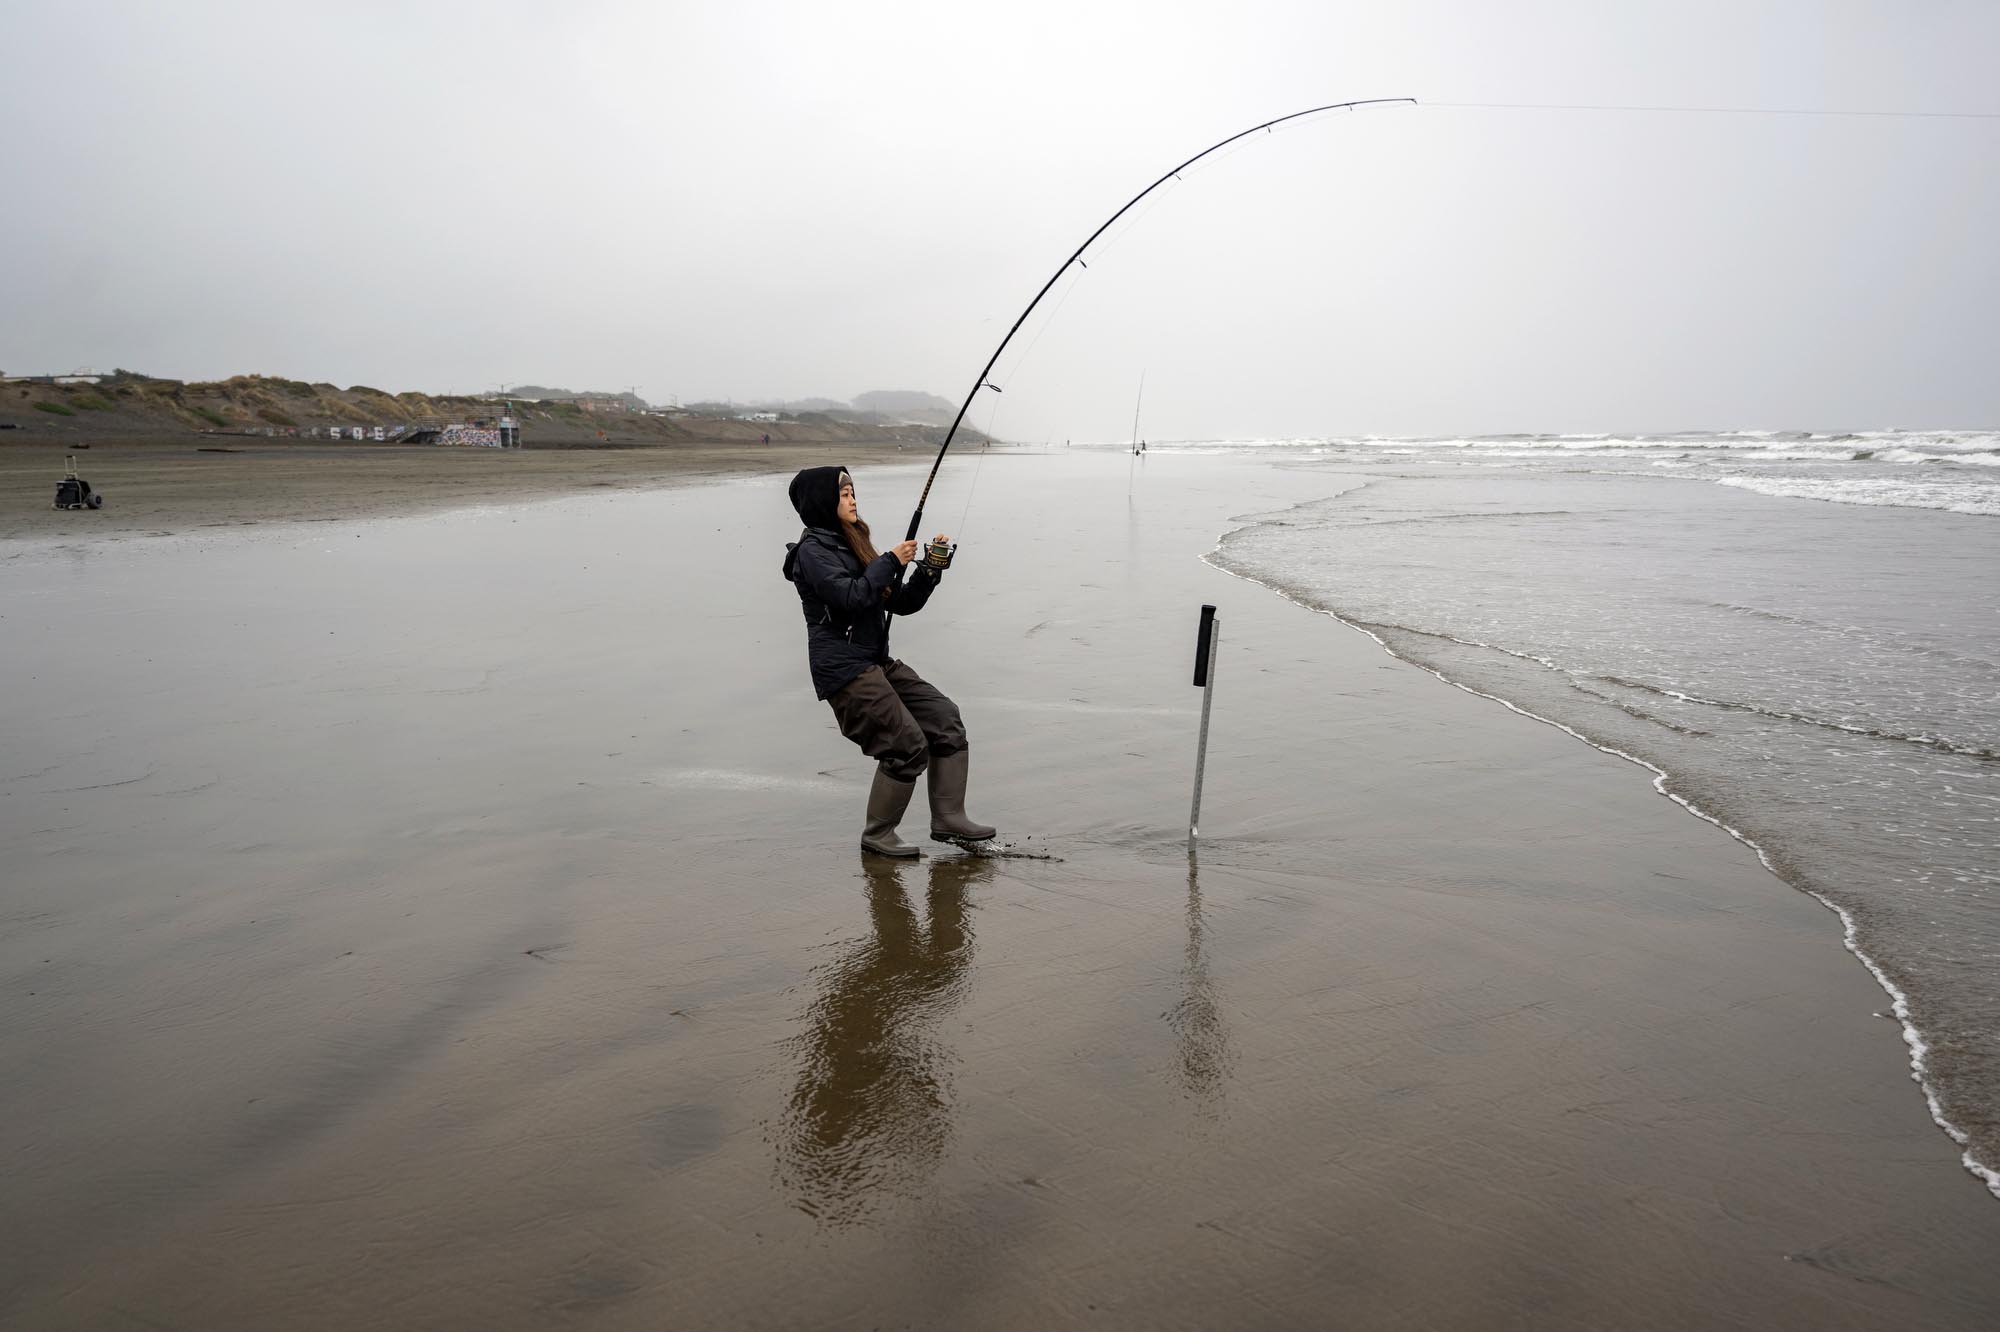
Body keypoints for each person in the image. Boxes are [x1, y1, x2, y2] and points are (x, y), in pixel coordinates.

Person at [782, 466, 995, 856]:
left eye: (852, 491)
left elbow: (898, 603)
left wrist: (929, 568)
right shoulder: (811, 552)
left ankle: (949, 818)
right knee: (906, 745)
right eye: (844, 492)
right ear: (821, 501)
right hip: (844, 669)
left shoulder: (853, 542)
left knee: (945, 719)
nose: (852, 498)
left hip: (875, 660)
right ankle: (878, 835)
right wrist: (892, 560)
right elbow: (851, 596)